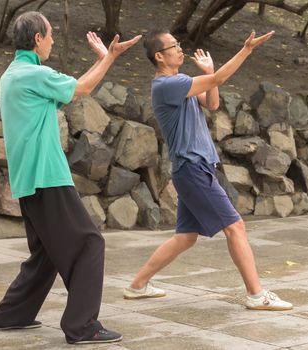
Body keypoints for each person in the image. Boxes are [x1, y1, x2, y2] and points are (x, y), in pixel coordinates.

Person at [0, 11, 140, 344]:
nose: (54, 40)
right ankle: (82, 326)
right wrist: (111, 57)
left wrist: (103, 59)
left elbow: (73, 88)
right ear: (38, 38)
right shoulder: (33, 73)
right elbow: (81, 89)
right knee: (89, 243)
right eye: (51, 34)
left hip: (29, 178)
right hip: (46, 175)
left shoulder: (14, 73)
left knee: (47, 252)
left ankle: (11, 314)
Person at [123, 29, 293, 311]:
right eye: (174, 45)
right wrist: (246, 50)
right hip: (192, 169)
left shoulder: (179, 83)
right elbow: (219, 80)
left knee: (186, 236)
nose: (180, 48)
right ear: (159, 56)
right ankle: (256, 294)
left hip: (195, 168)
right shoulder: (168, 85)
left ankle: (138, 285)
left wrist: (211, 72)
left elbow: (212, 102)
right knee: (235, 227)